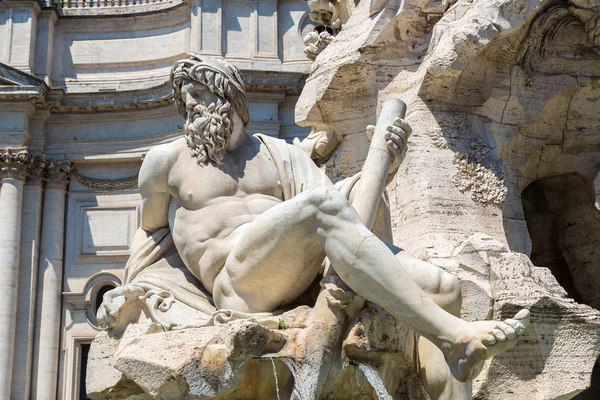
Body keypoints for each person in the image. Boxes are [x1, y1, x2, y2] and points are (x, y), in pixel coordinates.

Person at [99, 55, 529, 396]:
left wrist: (383, 168)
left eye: (201, 93)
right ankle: (454, 336)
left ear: (230, 98)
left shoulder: (279, 154)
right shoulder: (166, 162)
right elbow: (150, 236)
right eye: (186, 97)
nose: (191, 104)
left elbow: (346, 213)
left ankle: (453, 371)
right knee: (319, 206)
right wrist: (133, 292)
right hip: (238, 283)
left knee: (443, 287)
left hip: (299, 271)